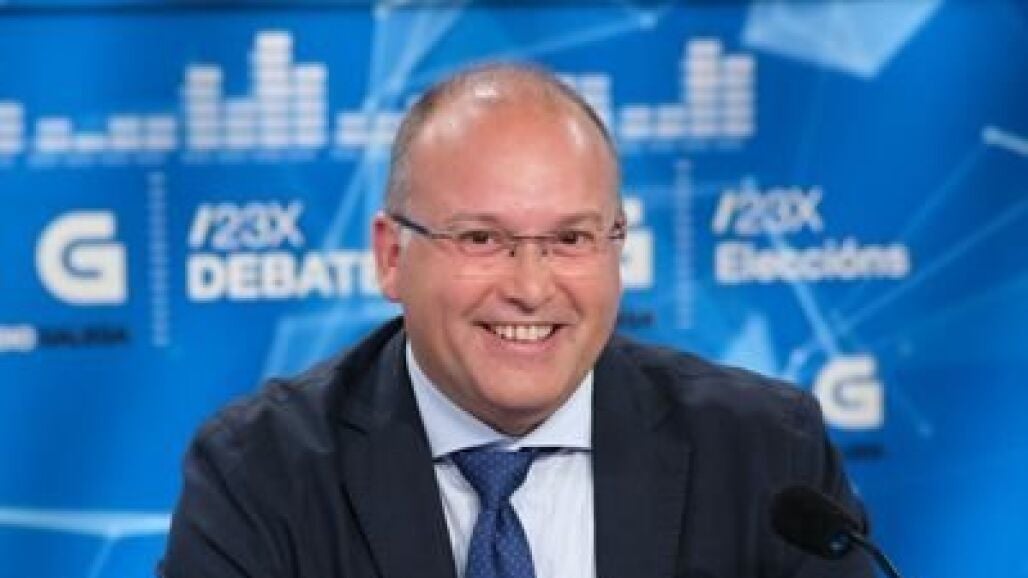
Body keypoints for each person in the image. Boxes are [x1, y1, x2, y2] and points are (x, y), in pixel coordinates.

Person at [162, 63, 873, 578]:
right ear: (391, 256)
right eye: (481, 238)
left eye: (571, 238)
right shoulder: (261, 474)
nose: (531, 288)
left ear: (617, 247)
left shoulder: (765, 455)